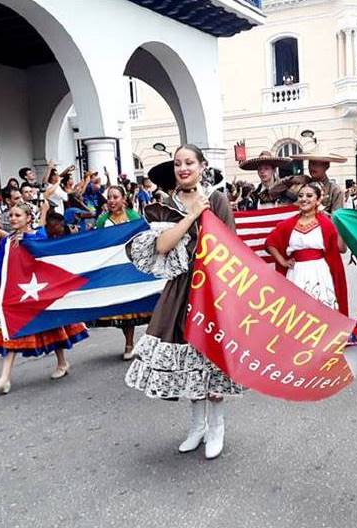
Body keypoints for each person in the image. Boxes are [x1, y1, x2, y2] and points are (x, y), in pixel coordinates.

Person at [125, 144, 243, 460]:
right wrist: (191, 215)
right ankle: (197, 427)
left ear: (202, 166)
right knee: (188, 356)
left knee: (211, 355)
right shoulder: (167, 204)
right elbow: (162, 245)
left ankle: (217, 426)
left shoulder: (217, 200)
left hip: (212, 288)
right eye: (178, 163)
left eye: (189, 162)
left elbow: (231, 246)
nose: (183, 168)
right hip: (180, 289)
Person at [0, 203, 88, 393]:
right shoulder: (6, 242)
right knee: (10, 332)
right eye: (11, 215)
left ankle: (62, 362)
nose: (13, 218)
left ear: (28, 218)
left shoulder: (39, 236)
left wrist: (29, 242)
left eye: (18, 215)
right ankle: (4, 378)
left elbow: (48, 259)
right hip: (15, 295)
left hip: (39, 292)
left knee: (52, 327)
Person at [265, 183, 348, 315]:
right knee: (297, 313)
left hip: (320, 272)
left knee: (322, 312)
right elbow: (270, 242)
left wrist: (341, 225)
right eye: (301, 196)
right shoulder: (288, 224)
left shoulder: (326, 223)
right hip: (296, 273)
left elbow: (341, 248)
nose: (304, 199)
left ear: (318, 200)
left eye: (309, 196)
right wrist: (282, 261)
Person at [93, 186, 149, 360]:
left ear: (123, 199)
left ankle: (150, 341)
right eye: (109, 197)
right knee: (125, 309)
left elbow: (144, 239)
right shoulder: (102, 220)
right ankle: (129, 343)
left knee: (142, 305)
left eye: (115, 197)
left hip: (132, 266)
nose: (111, 200)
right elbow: (96, 243)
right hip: (115, 269)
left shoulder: (133, 217)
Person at [290, 141, 347, 214]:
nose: (312, 167)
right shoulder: (301, 185)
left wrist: (318, 209)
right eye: (310, 163)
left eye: (317, 164)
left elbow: (336, 219)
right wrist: (290, 180)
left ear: (326, 166)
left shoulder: (335, 190)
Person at [238, 150, 308, 209]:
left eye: (266, 168)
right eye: (260, 169)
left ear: (273, 170)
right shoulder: (254, 196)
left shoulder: (286, 189)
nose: (262, 172)